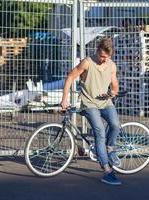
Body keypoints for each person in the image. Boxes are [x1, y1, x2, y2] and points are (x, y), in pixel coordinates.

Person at [61, 38, 122, 185]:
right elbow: (70, 78)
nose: (103, 60)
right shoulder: (87, 62)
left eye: (107, 57)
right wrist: (64, 99)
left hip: (105, 102)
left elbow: (115, 86)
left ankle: (110, 148)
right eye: (101, 56)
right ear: (97, 51)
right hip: (89, 103)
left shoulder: (112, 66)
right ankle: (107, 170)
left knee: (115, 125)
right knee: (100, 131)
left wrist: (112, 92)